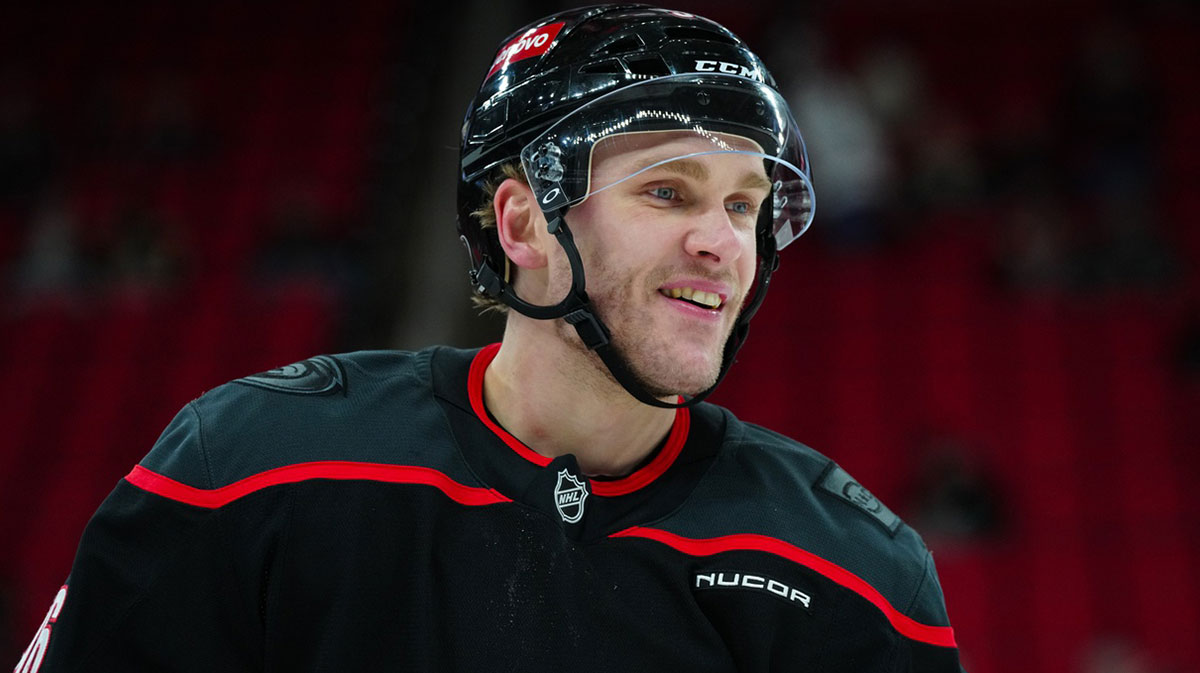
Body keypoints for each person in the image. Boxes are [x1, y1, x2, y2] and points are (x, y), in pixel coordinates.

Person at [16, 6, 963, 672]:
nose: (723, 243)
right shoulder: (245, 468)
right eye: (667, 192)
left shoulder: (858, 578)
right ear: (519, 226)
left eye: (747, 206)